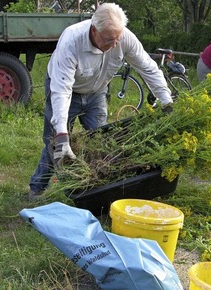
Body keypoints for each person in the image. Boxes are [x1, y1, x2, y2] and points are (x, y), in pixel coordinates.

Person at [29, 3, 173, 199]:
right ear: (94, 30)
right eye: (109, 40)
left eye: (117, 39)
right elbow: (61, 90)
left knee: (100, 141)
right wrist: (62, 134)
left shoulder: (123, 37)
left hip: (97, 92)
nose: (115, 44)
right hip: (66, 89)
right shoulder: (72, 41)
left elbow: (148, 68)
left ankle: (94, 189)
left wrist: (167, 102)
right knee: (55, 143)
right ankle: (38, 187)